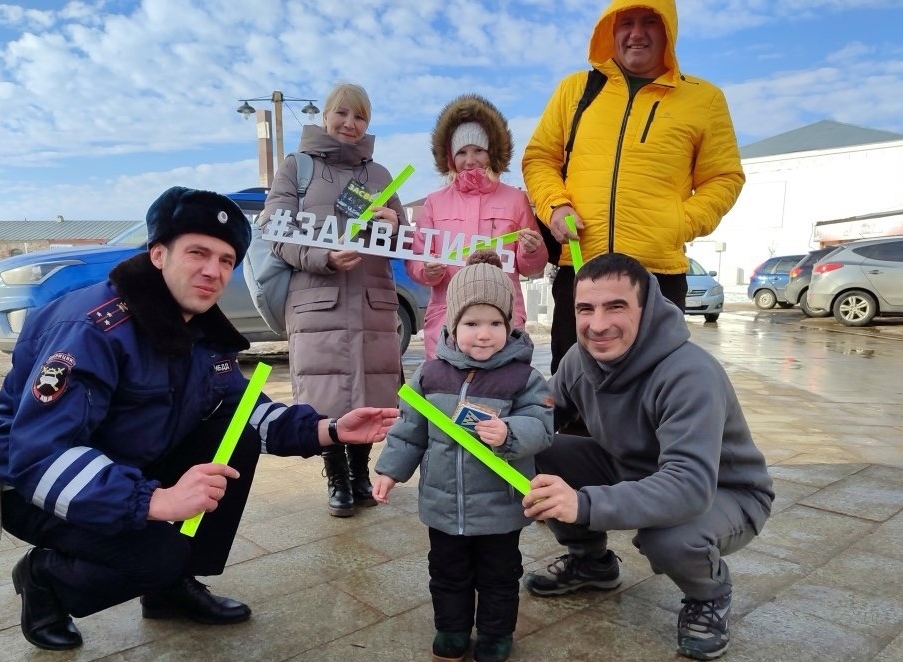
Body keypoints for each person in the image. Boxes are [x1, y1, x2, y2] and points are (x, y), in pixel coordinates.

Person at [0, 186, 399, 651]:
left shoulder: (200, 330)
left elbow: (243, 410)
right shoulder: (91, 329)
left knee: (235, 439)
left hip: (122, 462)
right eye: (198, 253)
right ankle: (44, 578)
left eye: (227, 260)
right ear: (158, 254)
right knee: (157, 554)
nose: (213, 272)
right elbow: (41, 455)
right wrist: (153, 503)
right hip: (27, 483)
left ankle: (170, 590)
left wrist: (330, 430)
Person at [522, 253, 772, 661]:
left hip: (723, 492)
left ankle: (709, 594)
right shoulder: (579, 360)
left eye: (615, 306)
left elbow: (689, 486)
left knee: (668, 535)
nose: (597, 325)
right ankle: (592, 563)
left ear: (647, 308)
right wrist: (491, 425)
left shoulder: (689, 373)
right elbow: (540, 418)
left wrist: (584, 504)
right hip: (630, 470)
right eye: (586, 309)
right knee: (535, 453)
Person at [522, 0, 745, 374]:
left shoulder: (704, 99)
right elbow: (539, 158)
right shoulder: (575, 89)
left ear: (668, 31)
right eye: (626, 22)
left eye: (650, 22)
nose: (637, 33)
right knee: (575, 391)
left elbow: (725, 177)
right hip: (580, 269)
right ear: (610, 28)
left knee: (651, 394)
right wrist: (556, 206)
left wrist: (679, 222)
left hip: (656, 276)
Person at [372, 251, 554, 662]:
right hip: (443, 505)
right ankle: (451, 630)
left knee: (499, 576)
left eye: (495, 323)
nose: (484, 334)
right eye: (472, 323)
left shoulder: (522, 378)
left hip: (500, 508)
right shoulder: (430, 375)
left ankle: (495, 635)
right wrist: (389, 471)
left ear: (510, 325)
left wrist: (510, 432)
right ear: (453, 325)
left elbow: (542, 425)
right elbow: (409, 428)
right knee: (447, 573)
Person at [262, 82, 408, 517]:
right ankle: (336, 476)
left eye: (359, 117)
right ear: (326, 115)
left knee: (372, 390)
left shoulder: (380, 175)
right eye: (342, 114)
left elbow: (406, 241)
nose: (350, 124)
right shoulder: (297, 167)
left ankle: (361, 471)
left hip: (372, 301)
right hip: (317, 300)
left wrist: (396, 222)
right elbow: (275, 231)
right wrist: (323, 257)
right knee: (323, 395)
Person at [408, 94, 547, 360]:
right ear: (450, 157)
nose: (470, 160)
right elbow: (416, 261)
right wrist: (428, 272)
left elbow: (532, 267)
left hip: (502, 321)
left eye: (478, 150)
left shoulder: (515, 199)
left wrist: (531, 251)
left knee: (501, 395)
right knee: (443, 398)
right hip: (447, 324)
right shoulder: (434, 203)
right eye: (461, 152)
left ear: (491, 152)